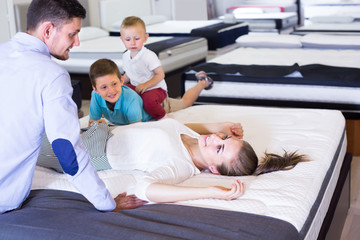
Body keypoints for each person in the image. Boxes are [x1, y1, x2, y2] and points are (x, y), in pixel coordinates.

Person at [0, 0, 145, 214]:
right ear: (48, 30)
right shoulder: (52, 74)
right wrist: (107, 203)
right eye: (72, 34)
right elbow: (67, 151)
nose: (77, 43)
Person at [39, 118, 308, 203]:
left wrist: (211, 192)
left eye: (219, 149)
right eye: (223, 138)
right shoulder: (195, 137)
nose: (214, 139)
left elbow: (146, 188)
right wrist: (218, 124)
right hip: (100, 129)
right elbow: (172, 124)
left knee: (20, 141)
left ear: (213, 169)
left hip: (91, 152)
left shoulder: (181, 165)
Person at [119, 16, 213, 120]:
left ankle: (202, 82)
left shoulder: (148, 56)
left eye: (136, 39)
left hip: (155, 89)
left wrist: (146, 85)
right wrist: (120, 83)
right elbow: (129, 73)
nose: (132, 43)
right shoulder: (125, 56)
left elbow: (160, 74)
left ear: (145, 38)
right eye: (128, 39)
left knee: (183, 103)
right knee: (120, 91)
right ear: (122, 39)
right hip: (140, 90)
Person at [88, 58, 212, 126]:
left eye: (114, 84)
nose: (111, 91)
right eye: (104, 87)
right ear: (95, 89)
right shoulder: (96, 96)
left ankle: (203, 82)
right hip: (135, 104)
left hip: (157, 106)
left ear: (121, 80)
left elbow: (136, 130)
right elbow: (92, 123)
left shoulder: (130, 99)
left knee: (184, 103)